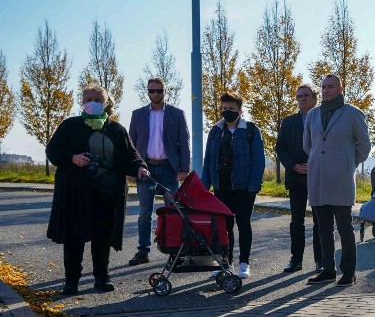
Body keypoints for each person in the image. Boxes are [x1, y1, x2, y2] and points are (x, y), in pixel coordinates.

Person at [46, 84, 148, 294]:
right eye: (87, 98)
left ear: (106, 103)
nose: (92, 102)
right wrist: (72, 158)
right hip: (75, 193)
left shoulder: (116, 129)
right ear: (82, 102)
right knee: (74, 238)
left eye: (97, 99)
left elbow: (131, 155)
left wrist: (140, 168)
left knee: (102, 237)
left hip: (106, 194)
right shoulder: (70, 125)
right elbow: (52, 149)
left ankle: (102, 277)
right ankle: (71, 280)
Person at [304, 74, 371, 286]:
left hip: (341, 178)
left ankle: (348, 271)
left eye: (330, 87)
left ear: (340, 89)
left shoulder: (353, 114)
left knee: (344, 227)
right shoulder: (313, 115)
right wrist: (317, 162)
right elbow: (308, 145)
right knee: (323, 227)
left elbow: (364, 146)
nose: (326, 91)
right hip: (318, 178)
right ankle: (328, 270)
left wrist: (347, 163)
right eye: (323, 87)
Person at [200, 92, 264, 279]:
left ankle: (244, 262)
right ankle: (225, 263)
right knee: (224, 227)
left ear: (240, 110)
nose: (227, 112)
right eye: (225, 109)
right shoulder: (216, 131)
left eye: (232, 109)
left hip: (244, 187)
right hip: (221, 187)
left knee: (243, 224)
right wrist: (205, 186)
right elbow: (208, 159)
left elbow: (258, 161)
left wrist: (254, 185)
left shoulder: (251, 130)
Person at [128, 77, 191, 266]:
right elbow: (130, 143)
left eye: (159, 91)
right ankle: (143, 251)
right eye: (152, 91)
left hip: (169, 169)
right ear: (147, 92)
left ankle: (176, 252)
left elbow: (184, 143)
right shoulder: (138, 114)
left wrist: (184, 169)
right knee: (144, 213)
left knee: (173, 211)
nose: (155, 94)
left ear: (165, 91)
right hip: (145, 169)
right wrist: (131, 168)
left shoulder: (177, 114)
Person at [276, 83, 322, 273]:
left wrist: (312, 165)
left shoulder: (323, 119)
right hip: (296, 176)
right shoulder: (288, 122)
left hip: (318, 175)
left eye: (306, 95)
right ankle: (296, 260)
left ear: (315, 98)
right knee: (297, 221)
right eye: (299, 96)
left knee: (320, 221)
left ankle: (321, 260)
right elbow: (281, 148)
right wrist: (293, 166)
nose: (302, 99)